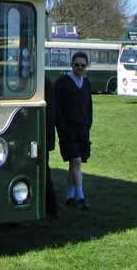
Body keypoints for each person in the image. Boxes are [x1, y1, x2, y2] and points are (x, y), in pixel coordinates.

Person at [54, 51, 93, 211]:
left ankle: (69, 196)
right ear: (72, 65)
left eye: (82, 65)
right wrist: (62, 126)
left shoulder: (86, 83)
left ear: (86, 67)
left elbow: (89, 106)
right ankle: (80, 196)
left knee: (74, 164)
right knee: (76, 161)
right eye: (76, 64)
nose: (79, 67)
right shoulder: (62, 82)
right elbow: (57, 107)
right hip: (67, 129)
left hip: (83, 128)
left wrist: (89, 123)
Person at [44, 78, 59, 219]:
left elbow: (49, 115)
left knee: (44, 172)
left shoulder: (45, 84)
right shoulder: (46, 82)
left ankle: (51, 208)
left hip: (42, 137)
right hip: (44, 137)